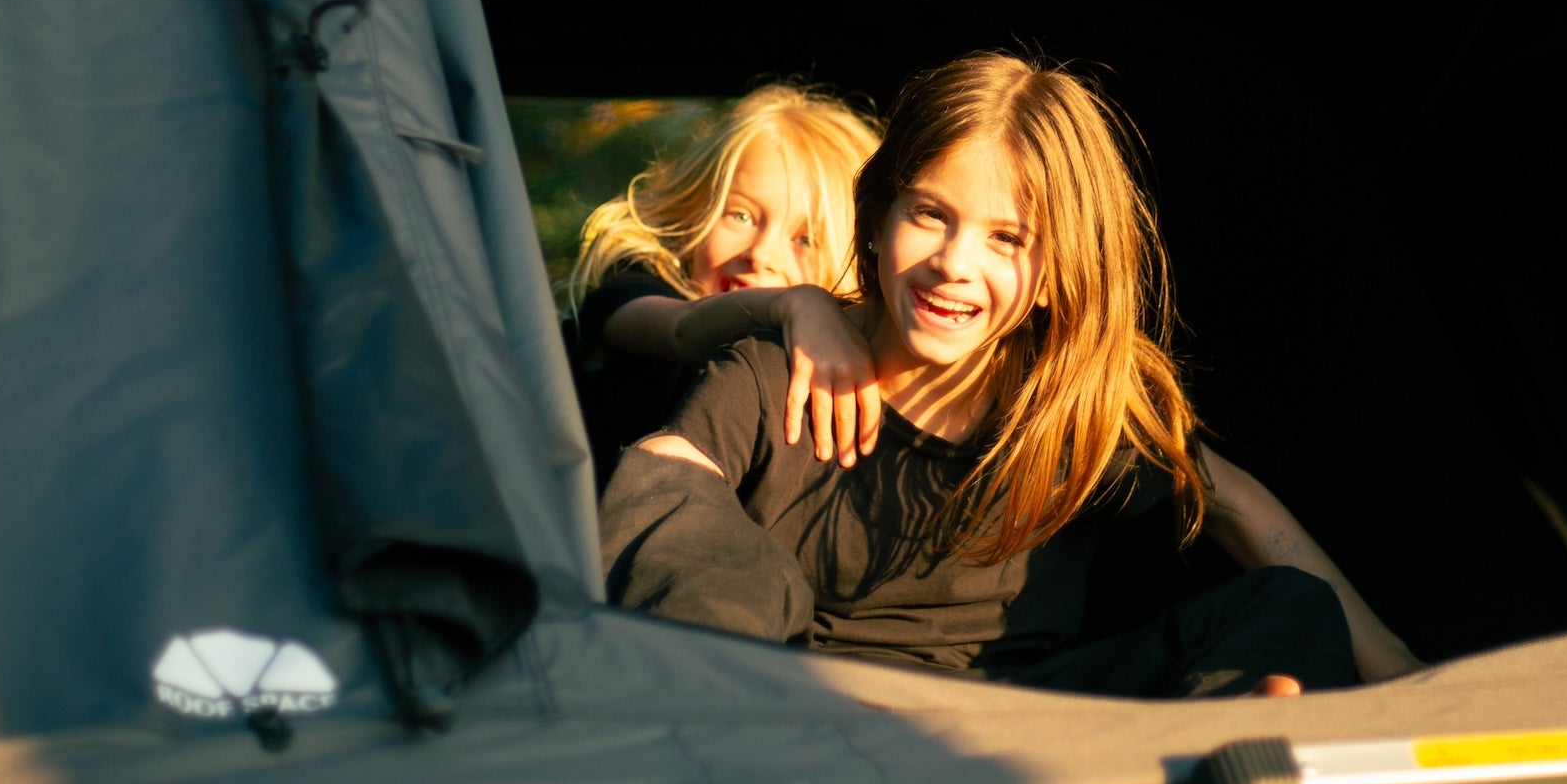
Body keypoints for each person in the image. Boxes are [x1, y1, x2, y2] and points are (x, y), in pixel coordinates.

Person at [600, 53, 1417, 697]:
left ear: (1057, 272)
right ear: (879, 219)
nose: (955, 263)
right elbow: (666, 484)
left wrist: (1403, 674)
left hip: (1014, 735)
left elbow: (1233, 501)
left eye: (1007, 239)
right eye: (930, 214)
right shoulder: (781, 369)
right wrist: (789, 313)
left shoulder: (1067, 413)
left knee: (1288, 607)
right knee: (677, 498)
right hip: (802, 712)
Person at [565, 84, 890, 484]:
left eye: (805, 239)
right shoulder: (629, 289)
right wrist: (798, 301)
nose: (760, 254)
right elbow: (683, 330)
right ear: (695, 211)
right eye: (740, 216)